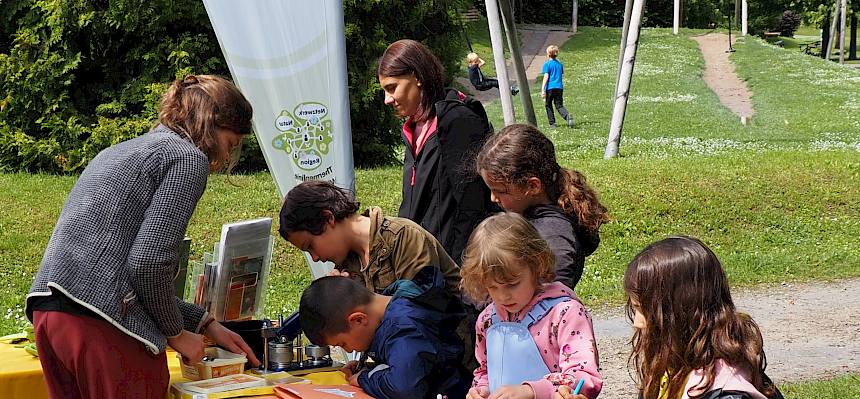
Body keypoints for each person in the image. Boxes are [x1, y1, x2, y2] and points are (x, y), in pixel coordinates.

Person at [25, 75, 261, 398]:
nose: (225, 159)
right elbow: (149, 264)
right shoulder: (187, 159)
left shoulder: (119, 152)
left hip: (49, 314)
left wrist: (205, 323)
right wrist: (177, 334)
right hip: (100, 328)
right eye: (231, 144)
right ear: (210, 125)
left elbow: (120, 275)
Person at [612, 236, 783, 399]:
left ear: (682, 313)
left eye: (644, 311)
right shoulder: (672, 367)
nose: (638, 322)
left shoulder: (728, 391)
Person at [378, 39, 495, 264]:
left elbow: (473, 204)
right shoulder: (413, 128)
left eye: (392, 88)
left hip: (451, 269)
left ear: (418, 77)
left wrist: (459, 269)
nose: (387, 99)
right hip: (420, 265)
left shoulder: (457, 121)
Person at [460, 212, 602, 399]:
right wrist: (481, 390)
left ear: (537, 264)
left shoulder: (565, 314)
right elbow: (486, 371)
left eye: (512, 284)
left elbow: (584, 377)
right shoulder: (487, 321)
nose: (503, 296)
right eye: (492, 287)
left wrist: (532, 391)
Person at [299, 267, 471, 399]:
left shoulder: (404, 327)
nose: (349, 350)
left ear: (358, 319)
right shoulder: (391, 311)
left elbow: (405, 387)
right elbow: (414, 364)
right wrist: (370, 368)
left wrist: (364, 378)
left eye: (342, 344)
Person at [476, 124, 608, 290]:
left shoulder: (554, 236)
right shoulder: (533, 216)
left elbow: (553, 300)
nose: (493, 198)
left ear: (533, 186)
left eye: (500, 191)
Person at [278, 179, 460, 297]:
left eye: (310, 246)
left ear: (328, 218)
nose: (315, 258)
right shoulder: (348, 263)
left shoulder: (404, 237)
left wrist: (358, 301)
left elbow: (419, 314)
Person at [540, 45, 573, 128]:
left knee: (548, 104)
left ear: (548, 54)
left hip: (550, 88)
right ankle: (567, 116)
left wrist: (543, 89)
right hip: (559, 88)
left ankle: (552, 123)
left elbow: (546, 76)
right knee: (559, 105)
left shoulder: (547, 65)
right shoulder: (559, 65)